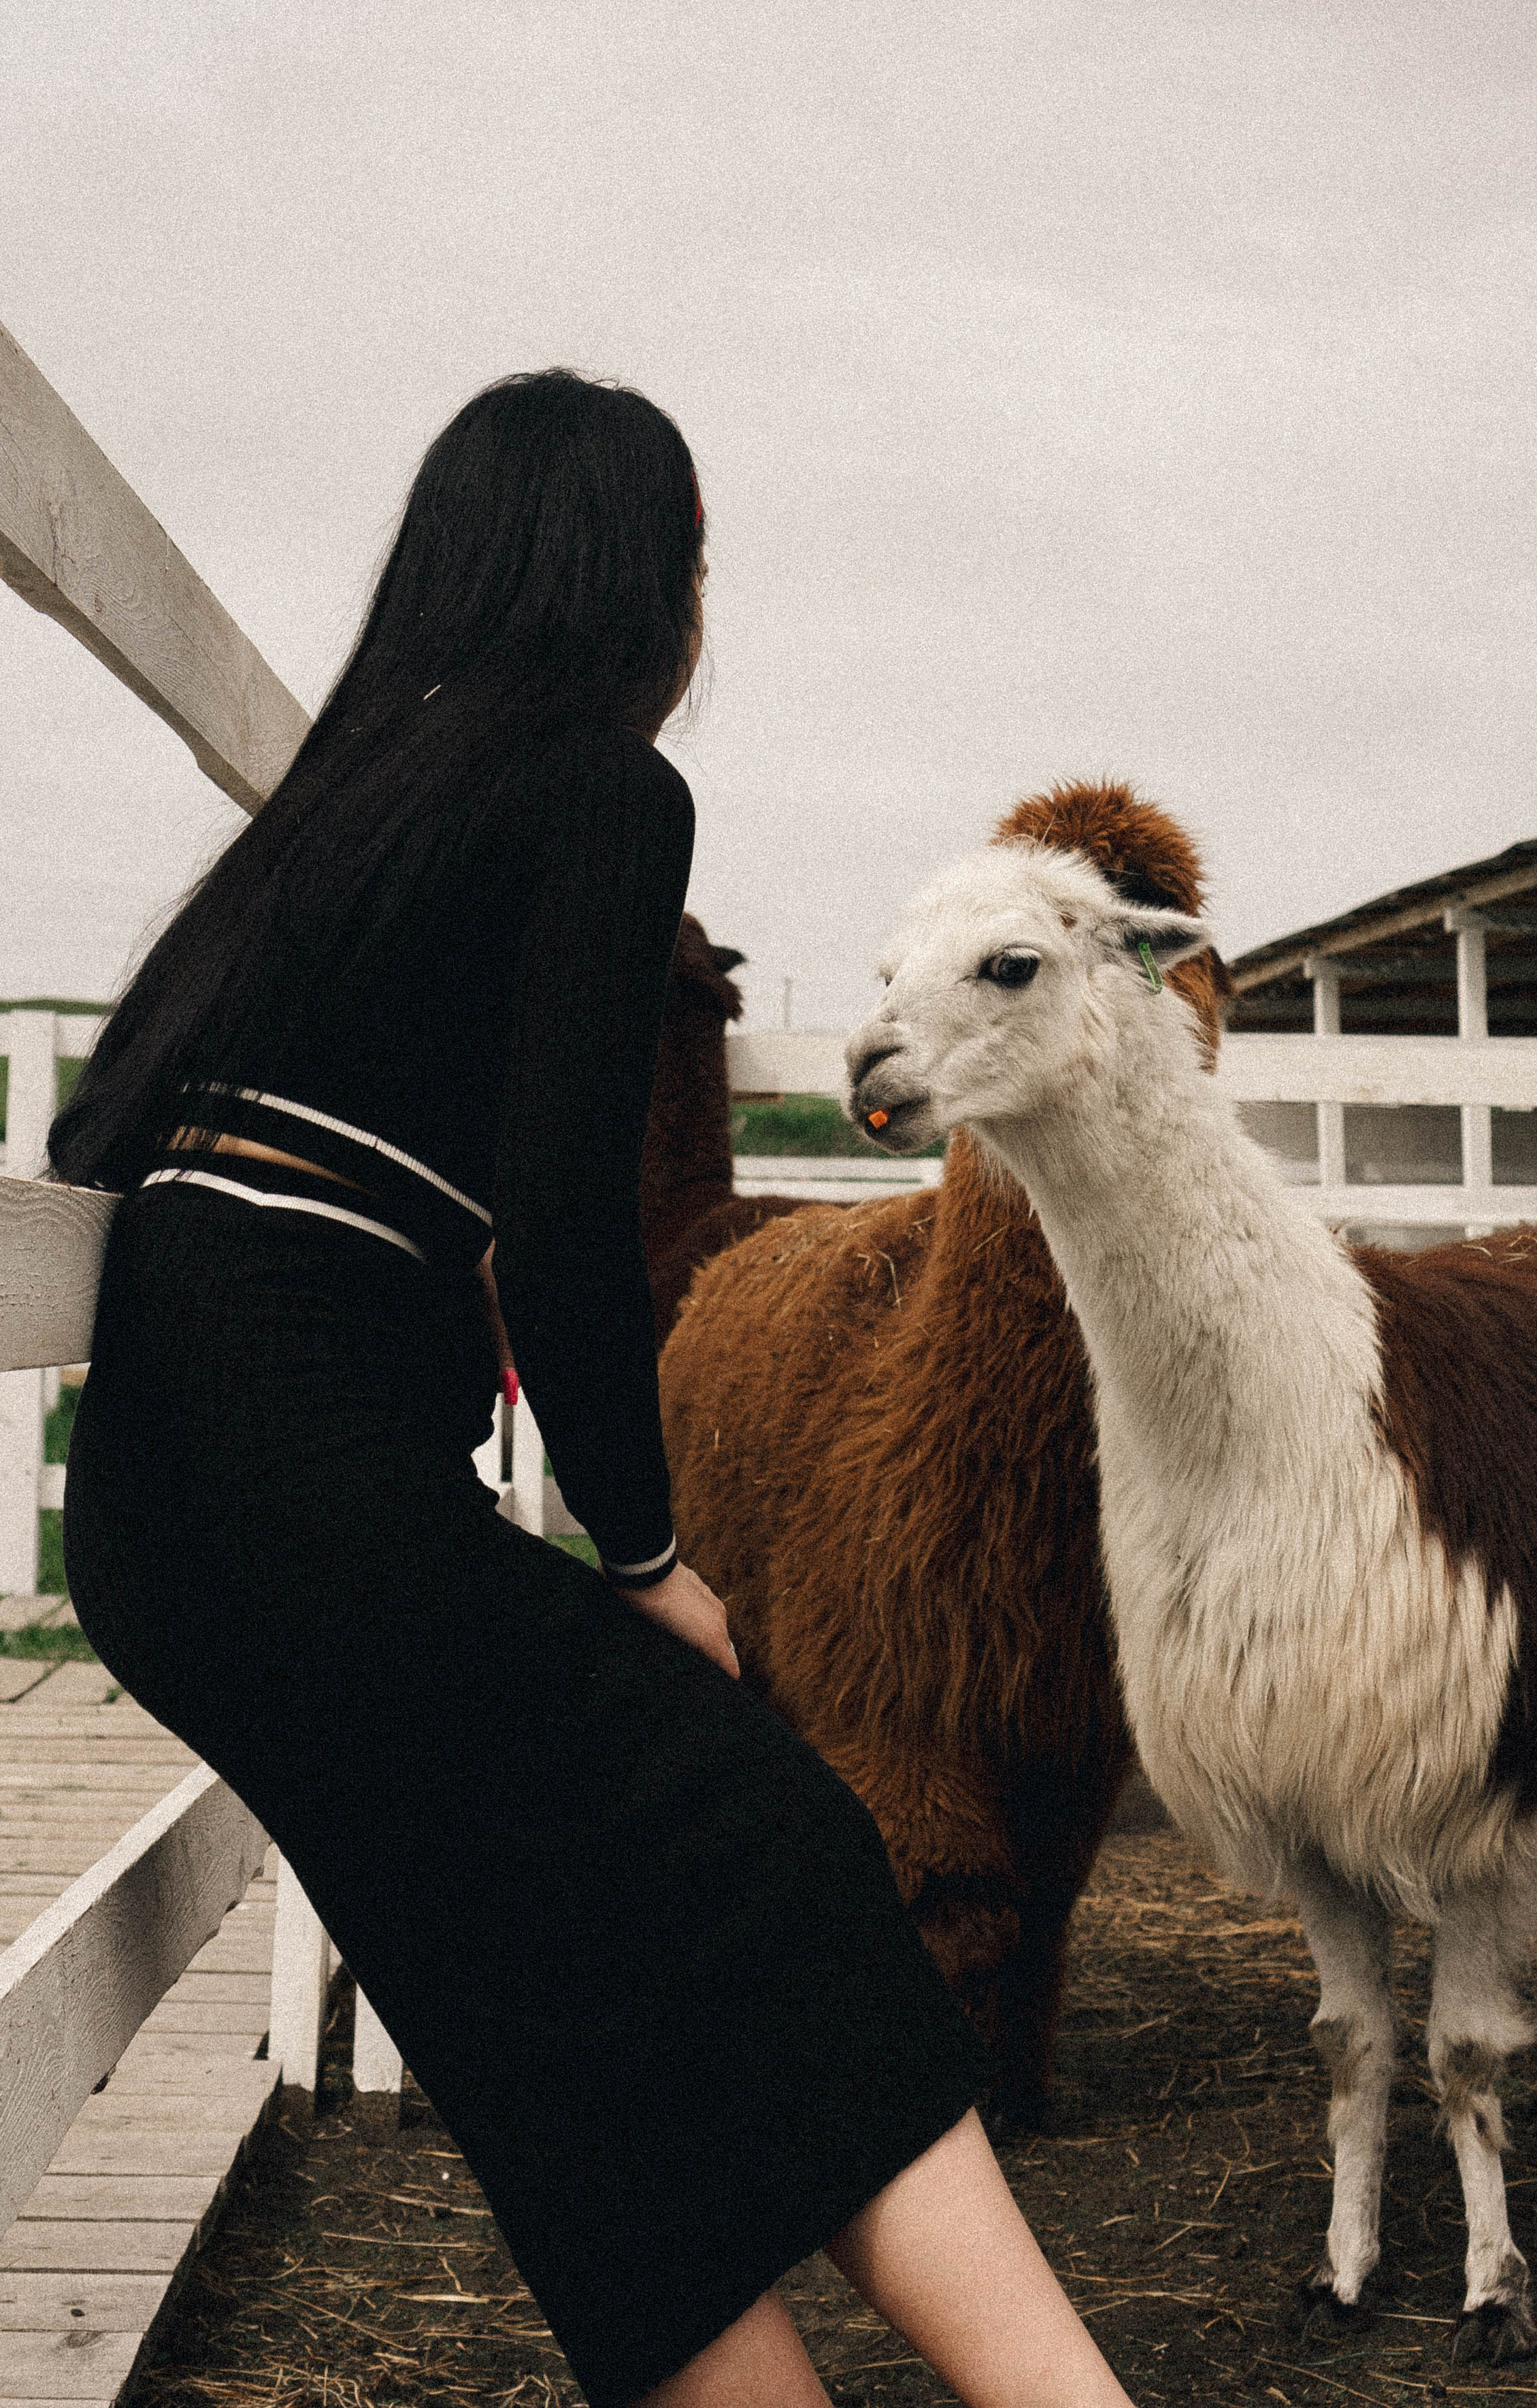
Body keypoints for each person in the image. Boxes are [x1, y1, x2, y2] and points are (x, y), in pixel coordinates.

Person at [52, 371, 1136, 2408]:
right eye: (697, 565)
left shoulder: (334, 819)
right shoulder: (605, 795)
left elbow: (112, 1130)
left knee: (526, 2012)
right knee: (779, 1846)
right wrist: (647, 1557)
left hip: (155, 1526)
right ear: (640, 584)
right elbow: (566, 1220)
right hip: (317, 1501)